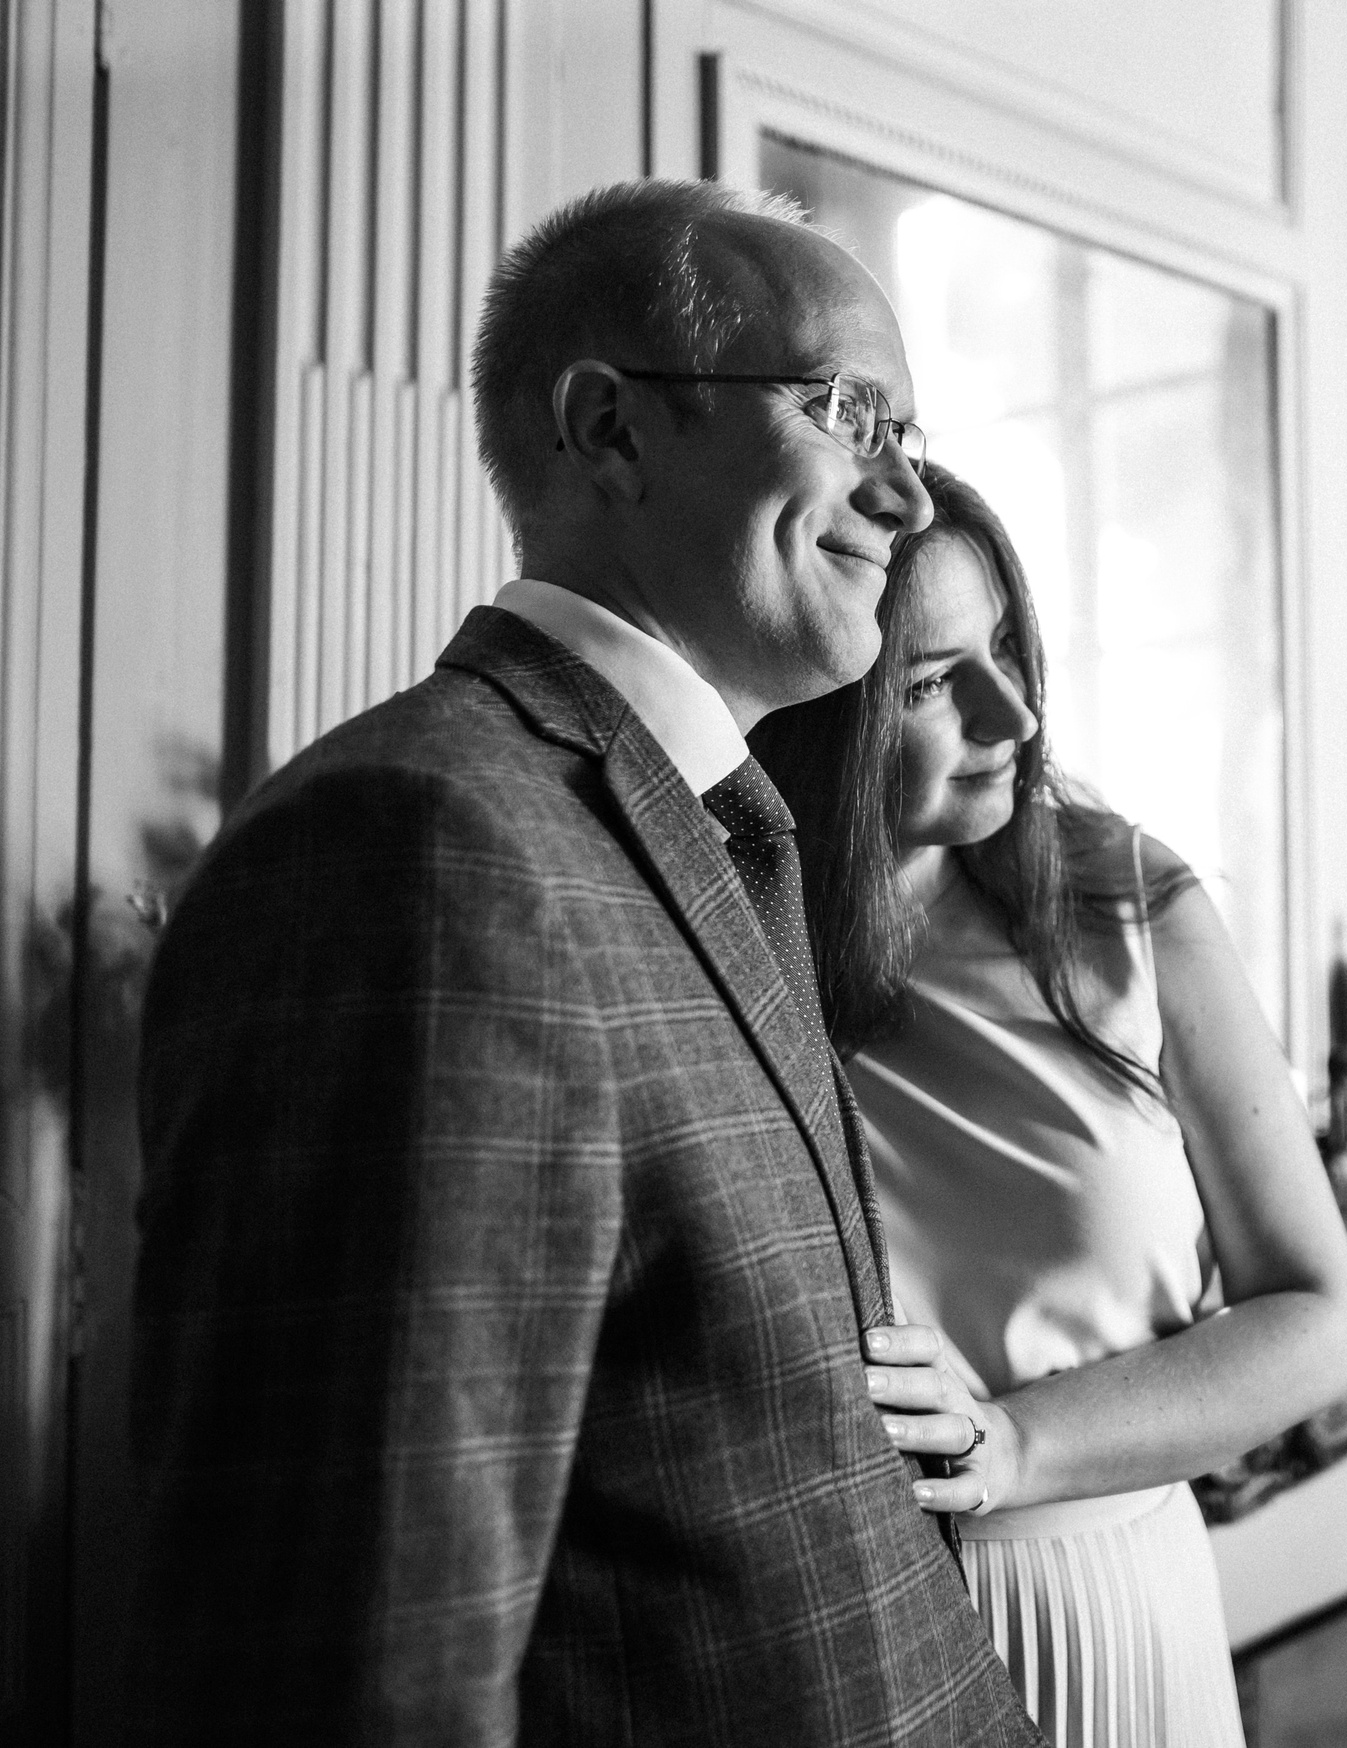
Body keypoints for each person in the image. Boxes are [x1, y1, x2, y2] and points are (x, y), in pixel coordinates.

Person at [129, 181, 1041, 1746]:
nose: (907, 495)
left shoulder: (725, 828)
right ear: (609, 430)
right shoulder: (416, 846)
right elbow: (361, 1655)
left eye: (911, 433)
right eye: (849, 414)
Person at [752, 463, 1347, 1748]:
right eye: (930, 683)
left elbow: (1318, 1319)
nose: (1015, 712)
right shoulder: (727, 939)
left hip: (1108, 1605)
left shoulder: (1127, 903)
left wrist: (1018, 1443)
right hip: (825, 1632)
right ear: (818, 710)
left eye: (1010, 650)